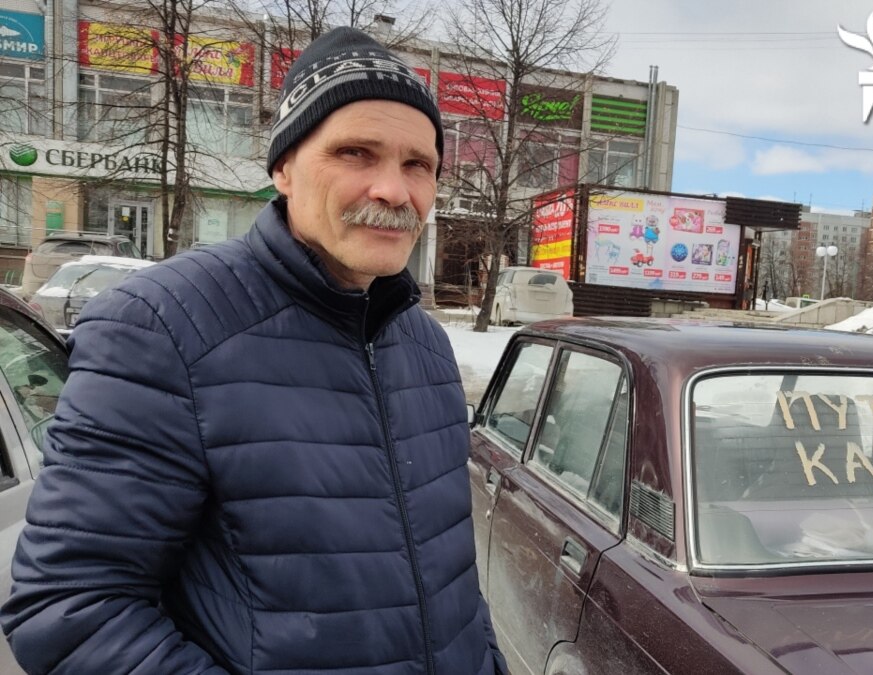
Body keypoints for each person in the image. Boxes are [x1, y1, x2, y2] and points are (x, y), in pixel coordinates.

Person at [1, 27, 507, 675]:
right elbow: (69, 606)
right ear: (284, 168)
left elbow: (451, 583)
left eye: (419, 165)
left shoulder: (427, 346)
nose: (393, 189)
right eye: (356, 153)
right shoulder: (164, 327)